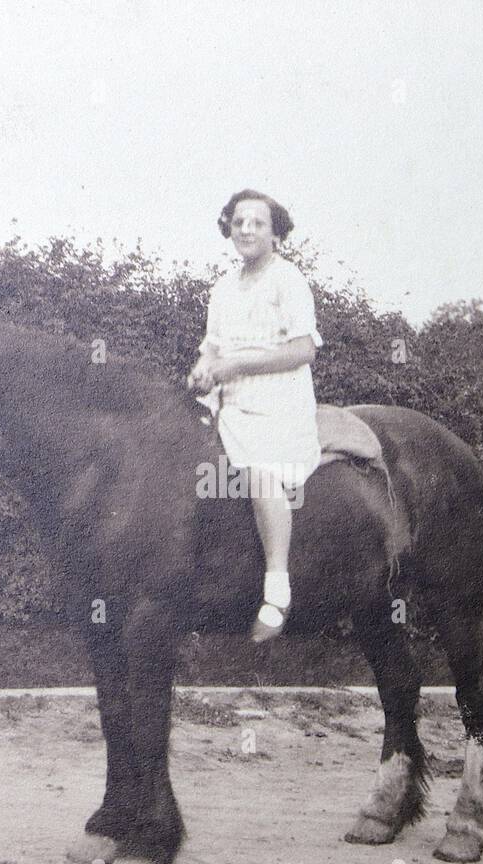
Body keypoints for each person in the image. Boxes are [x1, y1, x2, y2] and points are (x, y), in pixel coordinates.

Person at [188, 189, 323, 643]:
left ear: (275, 233)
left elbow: (304, 349)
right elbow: (212, 348)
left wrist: (237, 365)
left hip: (278, 403)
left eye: (257, 223)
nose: (246, 229)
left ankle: (277, 590)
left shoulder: (288, 279)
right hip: (227, 401)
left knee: (263, 476)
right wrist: (203, 370)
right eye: (238, 221)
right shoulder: (223, 287)